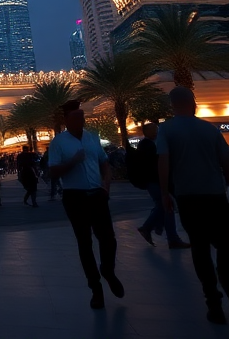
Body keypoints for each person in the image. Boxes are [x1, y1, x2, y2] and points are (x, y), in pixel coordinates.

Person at [158, 87, 229, 325]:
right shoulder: (209, 129)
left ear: (172, 104)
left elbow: (163, 161)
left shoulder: (166, 130)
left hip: (188, 197)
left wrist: (165, 192)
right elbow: (227, 160)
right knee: (227, 243)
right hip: (216, 196)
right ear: (193, 103)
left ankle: (213, 302)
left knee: (200, 247)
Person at [48, 100, 122, 310]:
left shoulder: (92, 137)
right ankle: (95, 289)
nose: (82, 119)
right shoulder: (59, 142)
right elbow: (53, 172)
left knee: (109, 238)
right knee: (85, 243)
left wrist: (106, 185)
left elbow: (103, 161)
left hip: (97, 194)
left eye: (82, 115)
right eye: (77, 116)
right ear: (67, 119)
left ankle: (108, 270)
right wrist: (72, 161)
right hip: (75, 197)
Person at [134, 123, 189, 249]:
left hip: (152, 181)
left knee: (164, 205)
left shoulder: (146, 145)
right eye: (155, 129)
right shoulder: (148, 146)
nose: (157, 131)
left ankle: (155, 228)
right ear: (148, 132)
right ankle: (161, 232)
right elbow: (156, 165)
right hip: (154, 181)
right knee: (165, 205)